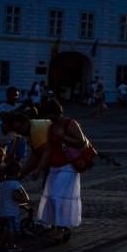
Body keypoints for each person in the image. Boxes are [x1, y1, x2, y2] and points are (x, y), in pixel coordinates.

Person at [34, 99, 89, 242]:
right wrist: (39, 169)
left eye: (49, 114)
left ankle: (61, 229)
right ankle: (58, 227)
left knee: (58, 196)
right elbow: (48, 150)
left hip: (68, 167)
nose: (48, 118)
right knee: (52, 197)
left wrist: (63, 136)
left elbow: (82, 142)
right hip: (54, 167)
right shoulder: (51, 127)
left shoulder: (70, 123)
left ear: (55, 112)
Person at [0, 159, 29, 252]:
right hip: (11, 211)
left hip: (2, 210)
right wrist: (23, 199)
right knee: (13, 229)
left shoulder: (2, 183)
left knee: (6, 228)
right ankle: (12, 246)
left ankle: (4, 243)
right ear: (18, 172)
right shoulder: (15, 184)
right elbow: (16, 196)